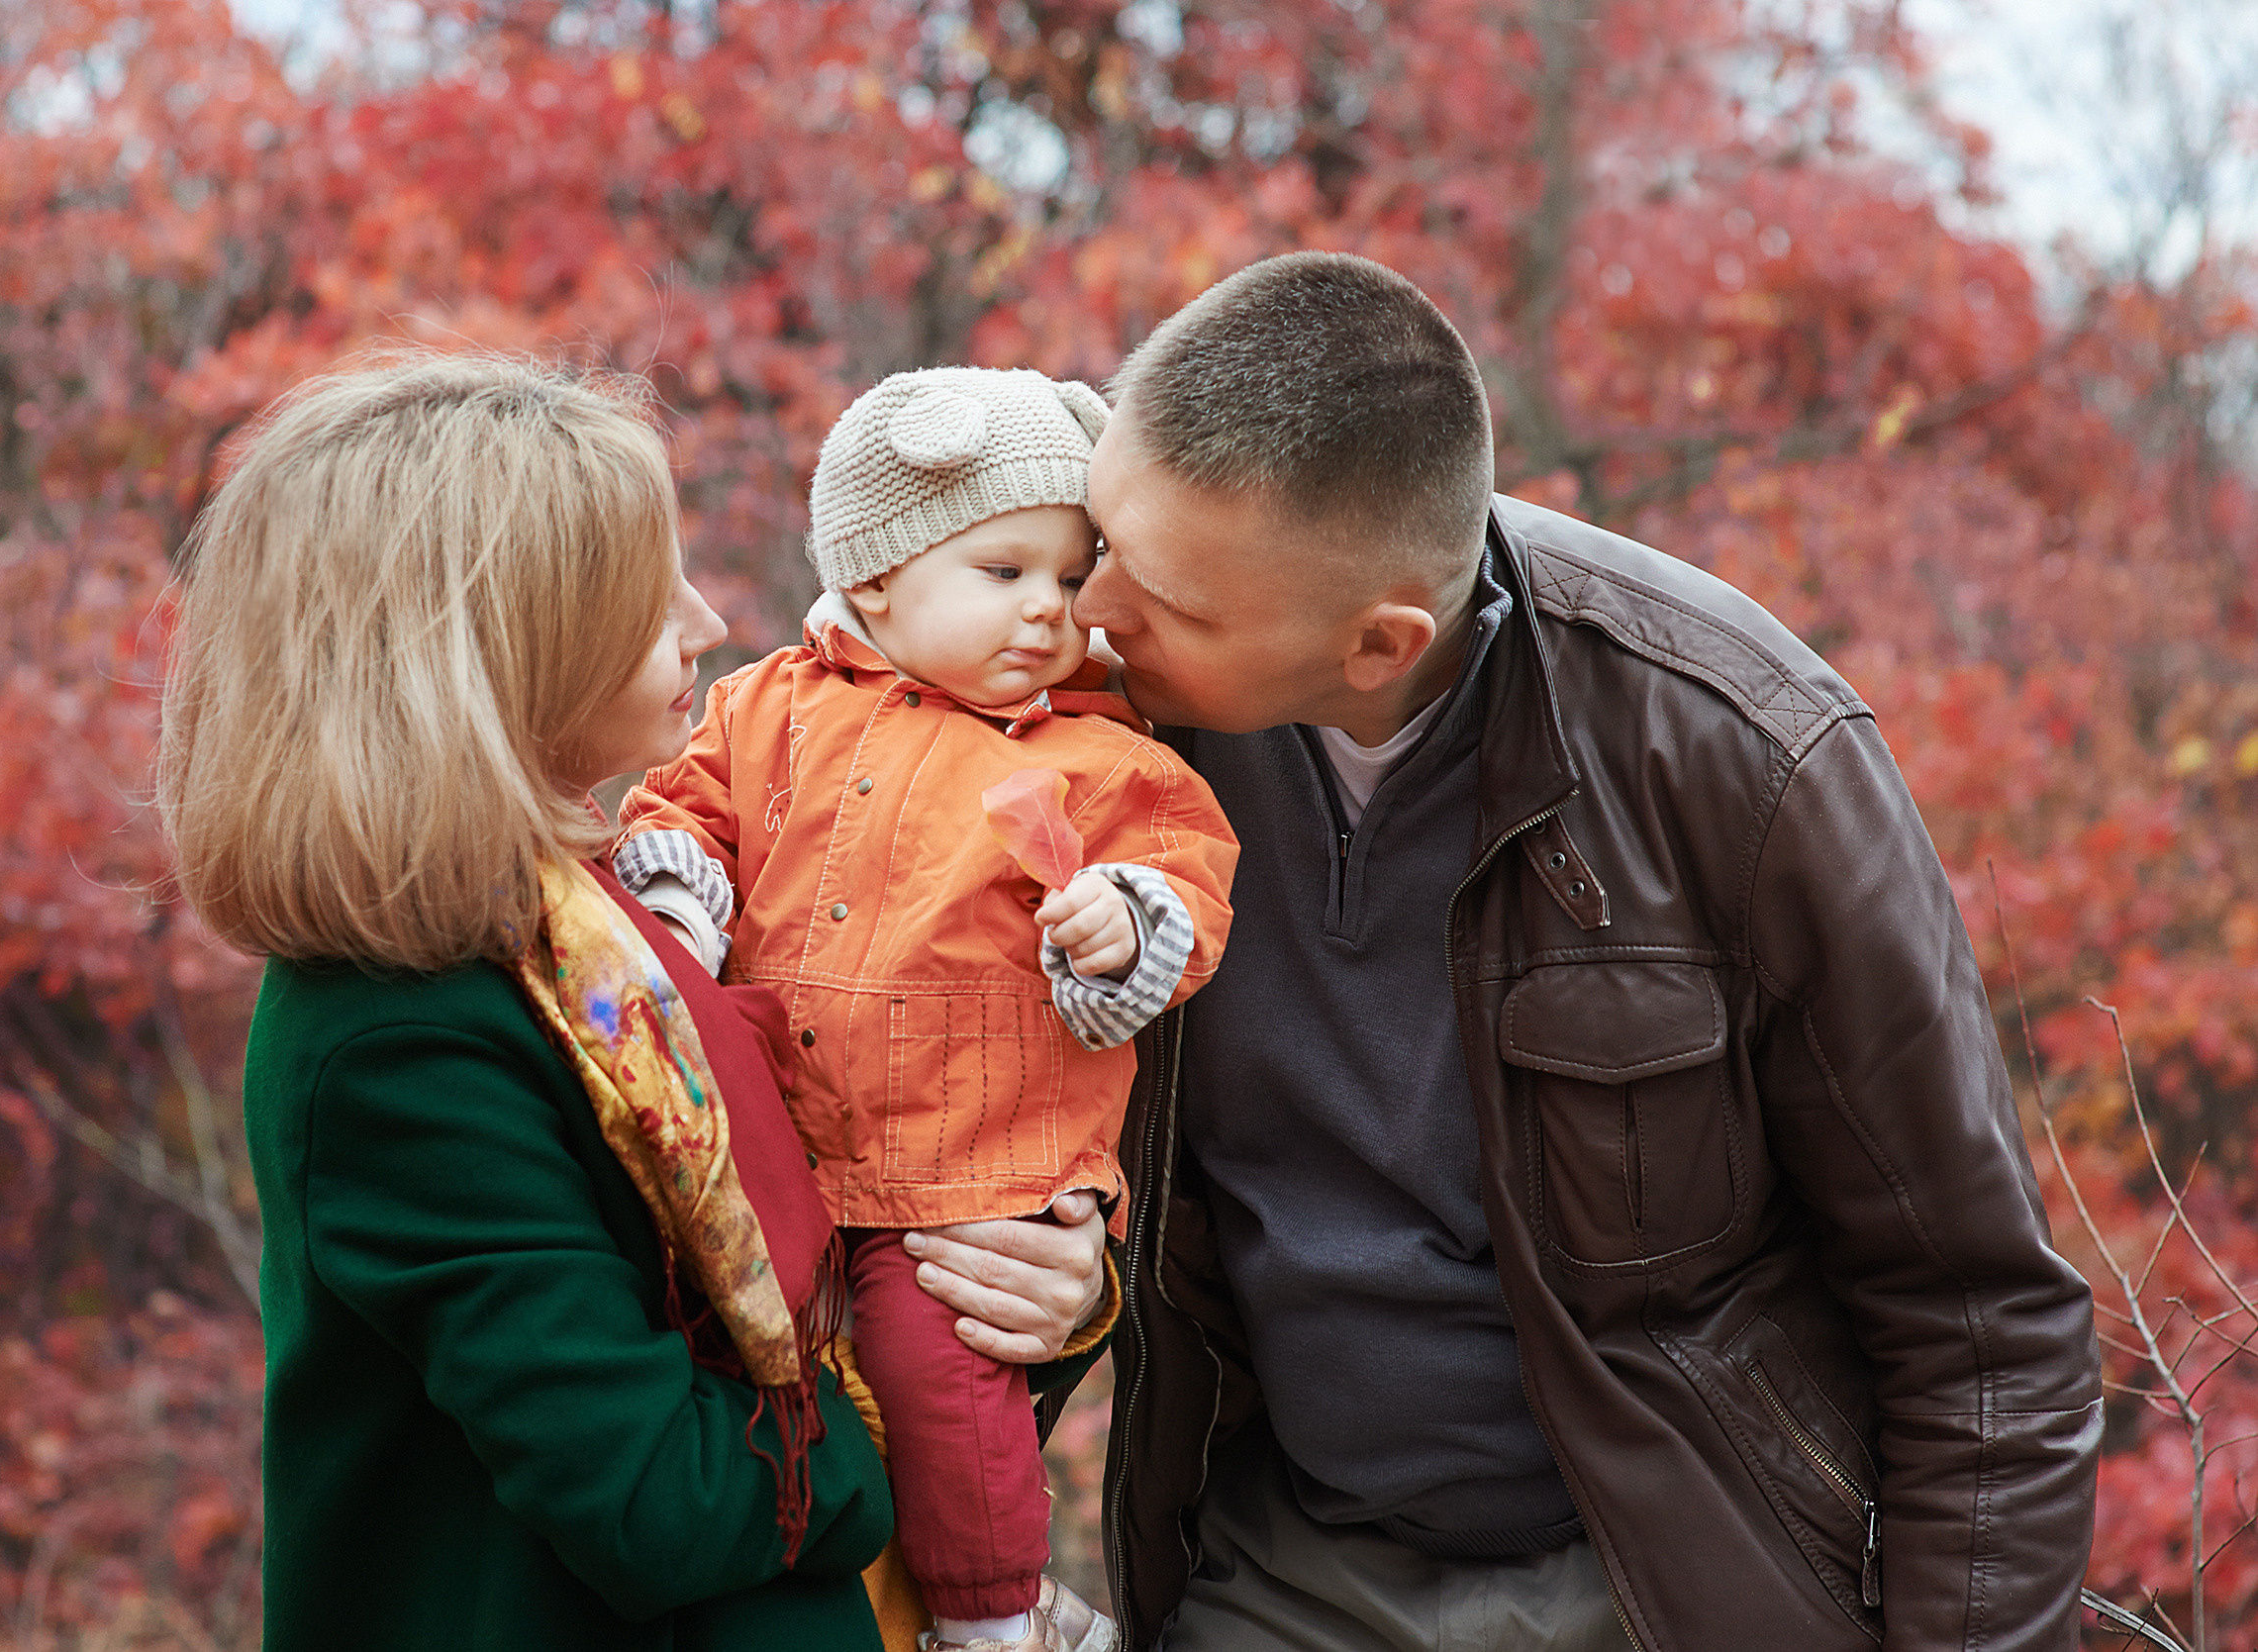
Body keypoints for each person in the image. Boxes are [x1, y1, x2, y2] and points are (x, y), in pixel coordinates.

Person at [1051, 253, 2103, 1652]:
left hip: (1669, 1581)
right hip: (1282, 1563)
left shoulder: (1744, 754)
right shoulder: (1080, 711)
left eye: (1165, 598)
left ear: (1380, 645)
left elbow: (1980, 1320)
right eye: (1097, 539)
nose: (1087, 611)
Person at [149, 352, 1098, 1652]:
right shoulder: (395, 1036)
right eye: (647, 602)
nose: (710, 621)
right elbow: (657, 1495)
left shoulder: (605, 922)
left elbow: (859, 1209)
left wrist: (1045, 1284)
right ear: (501, 653)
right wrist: (873, 1421)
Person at [612, 366, 1239, 1652]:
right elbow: (682, 810)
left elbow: (1186, 883)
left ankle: (997, 1616)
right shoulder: (768, 707)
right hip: (776, 1148)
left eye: (1069, 580)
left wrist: (1121, 924)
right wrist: (681, 918)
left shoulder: (1101, 754)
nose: (1047, 612)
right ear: (881, 575)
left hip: (965, 1169)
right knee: (756, 1371)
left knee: (938, 1377)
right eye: (1003, 570)